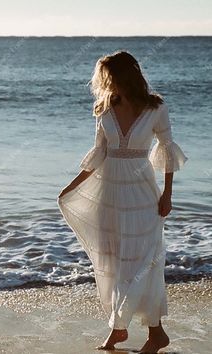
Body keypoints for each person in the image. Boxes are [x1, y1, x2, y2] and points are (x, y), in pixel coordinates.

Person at [57, 50, 188, 353]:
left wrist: (168, 194)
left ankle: (152, 332)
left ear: (124, 75)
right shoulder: (103, 107)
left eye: (108, 76)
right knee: (114, 264)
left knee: (144, 263)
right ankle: (120, 328)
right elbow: (99, 154)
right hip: (109, 197)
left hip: (143, 197)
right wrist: (71, 186)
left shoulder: (155, 107)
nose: (103, 82)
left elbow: (167, 151)